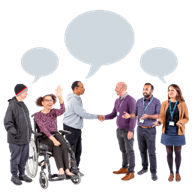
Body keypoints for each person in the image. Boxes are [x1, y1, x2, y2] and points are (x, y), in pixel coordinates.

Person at [33, 85, 77, 181]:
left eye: (51, 100)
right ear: (42, 102)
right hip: (44, 136)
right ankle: (60, 170)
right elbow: (43, 128)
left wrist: (61, 99)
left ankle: (67, 170)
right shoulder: (37, 115)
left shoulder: (53, 111)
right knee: (56, 145)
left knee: (64, 144)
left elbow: (62, 111)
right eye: (47, 100)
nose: (50, 102)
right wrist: (53, 139)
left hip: (55, 133)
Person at [62, 80, 103, 176]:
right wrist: (97, 116)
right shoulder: (73, 101)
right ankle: (69, 170)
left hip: (76, 128)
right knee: (71, 150)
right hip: (70, 129)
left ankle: (75, 169)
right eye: (82, 87)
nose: (84, 88)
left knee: (77, 150)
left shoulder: (77, 99)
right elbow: (83, 114)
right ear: (76, 88)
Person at [98, 81, 136, 181]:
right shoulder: (117, 100)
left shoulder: (130, 99)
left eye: (117, 87)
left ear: (123, 89)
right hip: (119, 129)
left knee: (130, 151)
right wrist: (104, 117)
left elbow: (134, 116)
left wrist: (131, 130)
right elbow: (114, 113)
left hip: (127, 130)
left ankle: (131, 172)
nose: (115, 89)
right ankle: (124, 167)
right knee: (123, 150)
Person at [122, 82, 161, 181]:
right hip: (139, 129)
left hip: (150, 129)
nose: (144, 91)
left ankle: (153, 172)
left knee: (151, 152)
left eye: (147, 89)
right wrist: (130, 116)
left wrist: (148, 116)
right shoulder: (139, 101)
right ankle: (144, 168)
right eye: (143, 89)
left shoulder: (156, 101)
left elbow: (158, 115)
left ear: (152, 91)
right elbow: (135, 113)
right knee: (142, 150)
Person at [152, 83, 190, 182]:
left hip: (178, 131)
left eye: (172, 90)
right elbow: (161, 116)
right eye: (168, 90)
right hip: (167, 131)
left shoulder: (183, 104)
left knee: (177, 152)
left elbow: (187, 118)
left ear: (177, 92)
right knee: (168, 152)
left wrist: (181, 122)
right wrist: (159, 122)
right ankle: (171, 173)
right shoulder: (164, 103)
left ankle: (177, 173)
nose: (170, 92)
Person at [3, 83, 33, 186]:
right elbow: (7, 123)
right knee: (15, 159)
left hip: (25, 138)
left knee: (24, 158)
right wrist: (16, 133)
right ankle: (14, 176)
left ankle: (22, 174)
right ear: (19, 92)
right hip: (16, 139)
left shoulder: (23, 104)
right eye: (25, 92)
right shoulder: (12, 106)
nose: (27, 94)